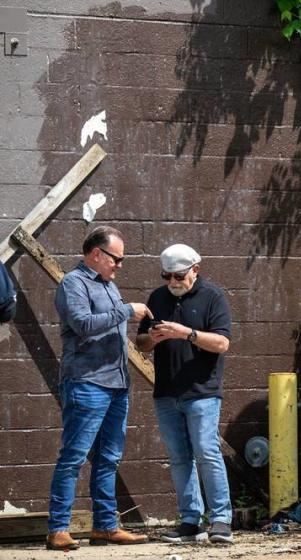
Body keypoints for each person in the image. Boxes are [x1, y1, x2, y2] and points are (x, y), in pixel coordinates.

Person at [47, 226, 153, 551]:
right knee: (74, 457)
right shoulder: (73, 284)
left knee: (108, 458)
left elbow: (112, 333)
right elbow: (82, 324)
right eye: (116, 258)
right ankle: (57, 530)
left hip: (117, 384)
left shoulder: (110, 286)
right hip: (87, 382)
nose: (119, 265)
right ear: (97, 254)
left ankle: (105, 526)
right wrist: (126, 310)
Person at [135, 244, 234, 544]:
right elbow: (139, 344)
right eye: (167, 276)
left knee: (206, 452)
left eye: (178, 276)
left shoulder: (213, 297)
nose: (172, 283)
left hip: (202, 390)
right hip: (166, 391)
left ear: (195, 269)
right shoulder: (157, 297)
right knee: (179, 457)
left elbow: (222, 343)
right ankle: (191, 520)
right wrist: (151, 338)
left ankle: (221, 520)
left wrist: (186, 333)